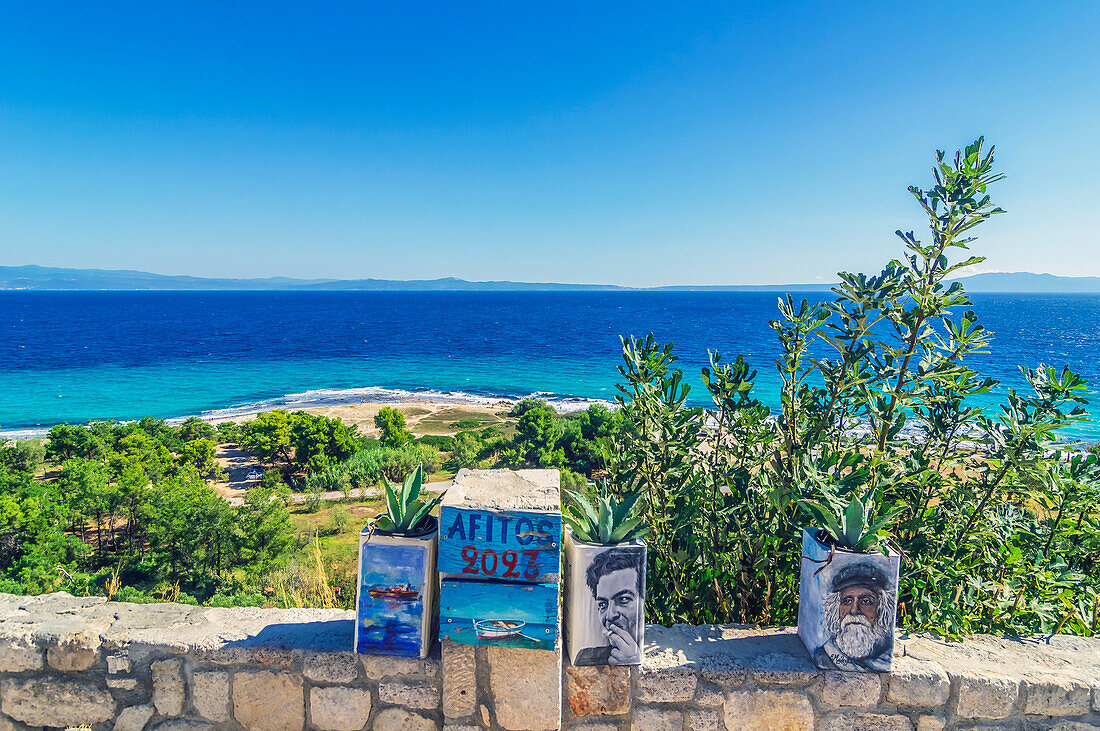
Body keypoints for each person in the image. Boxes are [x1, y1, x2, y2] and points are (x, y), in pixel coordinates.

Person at [813, 561, 896, 672]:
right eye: (847, 601)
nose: (854, 610)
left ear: (882, 608)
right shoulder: (825, 655)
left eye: (866, 601)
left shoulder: (886, 656)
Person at [573, 548, 643, 665]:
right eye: (603, 604)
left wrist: (634, 663)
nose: (610, 615)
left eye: (623, 599)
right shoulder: (585, 657)